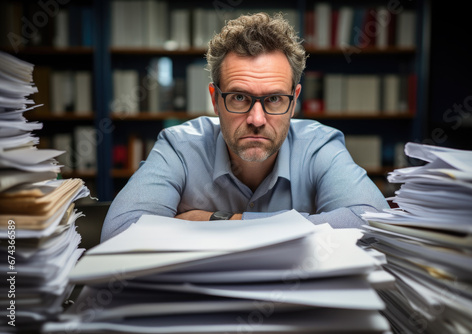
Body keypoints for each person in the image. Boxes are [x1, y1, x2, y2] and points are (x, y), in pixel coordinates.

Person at [101, 12, 389, 242]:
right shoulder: (179, 146)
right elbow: (120, 233)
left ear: (294, 102)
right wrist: (302, 227)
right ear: (215, 100)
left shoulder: (318, 145)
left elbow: (374, 224)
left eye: (275, 99)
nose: (256, 119)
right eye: (239, 97)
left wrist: (221, 221)